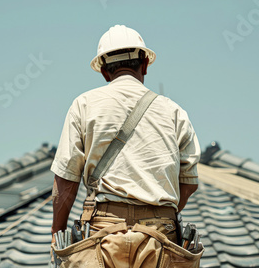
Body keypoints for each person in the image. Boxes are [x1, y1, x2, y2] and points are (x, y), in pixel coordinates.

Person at [50, 25, 201, 265]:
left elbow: (66, 183)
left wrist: (56, 240)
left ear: (104, 71)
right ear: (144, 64)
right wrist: (159, 214)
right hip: (160, 235)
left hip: (102, 234)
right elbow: (188, 184)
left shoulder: (84, 105)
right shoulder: (174, 112)